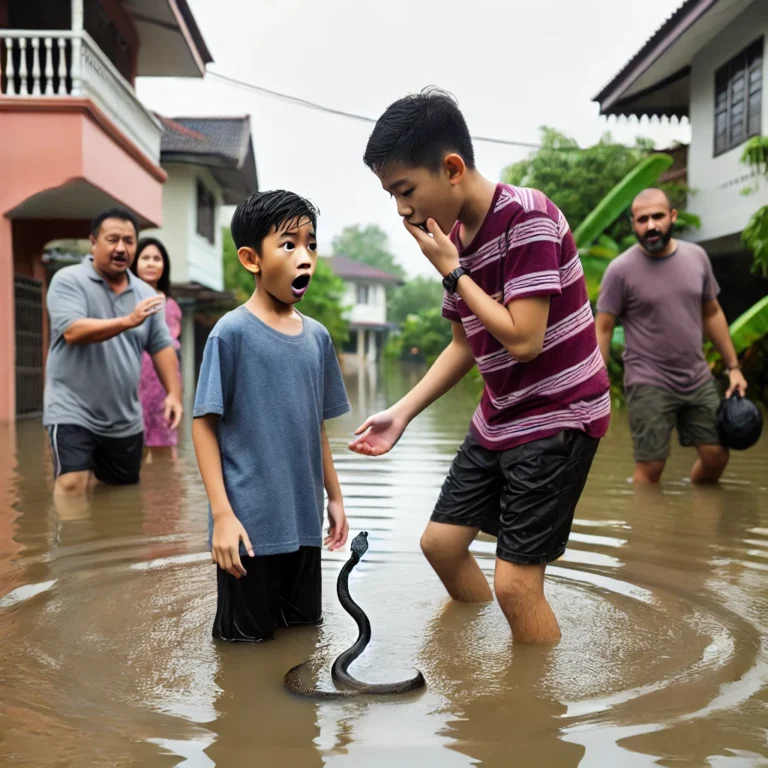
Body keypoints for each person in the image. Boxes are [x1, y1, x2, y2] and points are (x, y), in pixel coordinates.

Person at [349, 87, 610, 644]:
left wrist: (452, 270)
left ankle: (530, 711)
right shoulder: (458, 240)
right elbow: (465, 345)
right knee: (439, 545)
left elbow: (523, 341)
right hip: (500, 417)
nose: (402, 210)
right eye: (391, 195)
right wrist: (402, 413)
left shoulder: (529, 218)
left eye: (405, 190)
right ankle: (482, 647)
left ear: (451, 168)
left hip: (560, 416)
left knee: (517, 586)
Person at [192, 190, 351, 643]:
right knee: (243, 651)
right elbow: (204, 424)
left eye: (311, 244)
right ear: (251, 259)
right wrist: (222, 515)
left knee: (303, 640)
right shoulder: (231, 333)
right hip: (249, 532)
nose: (305, 257)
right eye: (289, 245)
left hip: (304, 525)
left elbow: (314, 427)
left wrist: (334, 498)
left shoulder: (318, 339)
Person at [595, 188, 748, 485]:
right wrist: (598, 385)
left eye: (658, 216)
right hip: (648, 380)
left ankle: (698, 517)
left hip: (697, 376)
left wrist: (734, 368)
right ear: (633, 224)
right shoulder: (620, 270)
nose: (651, 225)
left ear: (672, 217)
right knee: (651, 468)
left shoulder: (697, 257)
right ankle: (649, 528)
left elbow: (712, 312)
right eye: (643, 219)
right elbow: (602, 327)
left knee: (716, 456)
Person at [43, 208, 183, 496]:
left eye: (129, 241)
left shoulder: (146, 294)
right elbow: (73, 331)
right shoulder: (68, 280)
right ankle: (70, 542)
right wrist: (127, 321)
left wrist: (174, 394)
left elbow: (161, 345)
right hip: (71, 408)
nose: (121, 248)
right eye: (113, 239)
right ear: (94, 242)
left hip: (124, 417)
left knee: (121, 495)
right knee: (71, 484)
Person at [131, 238, 183, 462]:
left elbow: (170, 346)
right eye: (145, 258)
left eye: (156, 259)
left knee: (163, 442)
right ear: (135, 263)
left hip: (162, 381)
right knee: (133, 443)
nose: (151, 264)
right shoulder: (125, 299)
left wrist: (174, 389)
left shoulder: (170, 304)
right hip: (132, 378)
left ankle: (166, 495)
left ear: (164, 266)